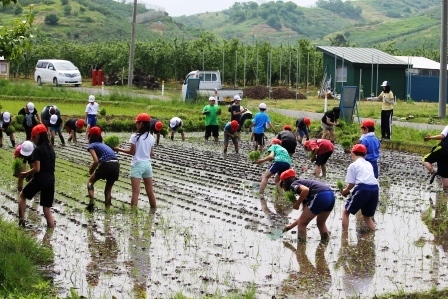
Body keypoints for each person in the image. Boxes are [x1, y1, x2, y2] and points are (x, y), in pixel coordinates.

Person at [279, 168, 334, 242]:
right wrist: (290, 226)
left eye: (283, 186)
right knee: (321, 223)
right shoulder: (302, 187)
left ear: (285, 182)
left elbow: (306, 190)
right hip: (330, 195)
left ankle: (301, 247)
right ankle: (325, 244)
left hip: (320, 195)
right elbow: (303, 216)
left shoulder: (294, 184)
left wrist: (297, 204)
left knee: (302, 224)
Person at [17, 124, 56, 228]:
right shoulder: (51, 149)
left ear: (38, 136)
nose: (32, 140)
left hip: (40, 179)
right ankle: (50, 232)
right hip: (51, 180)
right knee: (47, 209)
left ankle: (21, 221)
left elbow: (37, 169)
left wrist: (24, 174)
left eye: (33, 137)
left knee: (22, 196)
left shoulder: (37, 150)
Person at [115, 113, 156, 208]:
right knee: (150, 191)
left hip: (138, 164)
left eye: (137, 123)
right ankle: (154, 210)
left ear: (141, 123)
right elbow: (150, 154)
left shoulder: (135, 136)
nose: (136, 125)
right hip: (148, 165)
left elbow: (132, 152)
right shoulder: (151, 137)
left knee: (135, 191)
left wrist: (118, 149)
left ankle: (133, 214)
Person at [341, 144, 379, 232]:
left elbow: (351, 184)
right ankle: (373, 233)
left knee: (345, 211)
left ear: (352, 153)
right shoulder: (369, 164)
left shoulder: (353, 165)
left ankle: (344, 236)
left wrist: (345, 191)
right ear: (365, 155)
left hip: (363, 188)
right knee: (367, 216)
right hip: (375, 188)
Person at [86, 126, 120, 211]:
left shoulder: (91, 146)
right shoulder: (104, 145)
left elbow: (96, 161)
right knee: (108, 190)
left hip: (106, 164)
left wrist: (91, 170)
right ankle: (107, 211)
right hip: (116, 165)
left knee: (90, 182)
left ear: (90, 136)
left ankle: (91, 202)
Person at [422, 124, 448, 191]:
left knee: (425, 159)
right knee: (445, 174)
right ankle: (445, 192)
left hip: (442, 148)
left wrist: (430, 137)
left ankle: (433, 172)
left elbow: (442, 136)